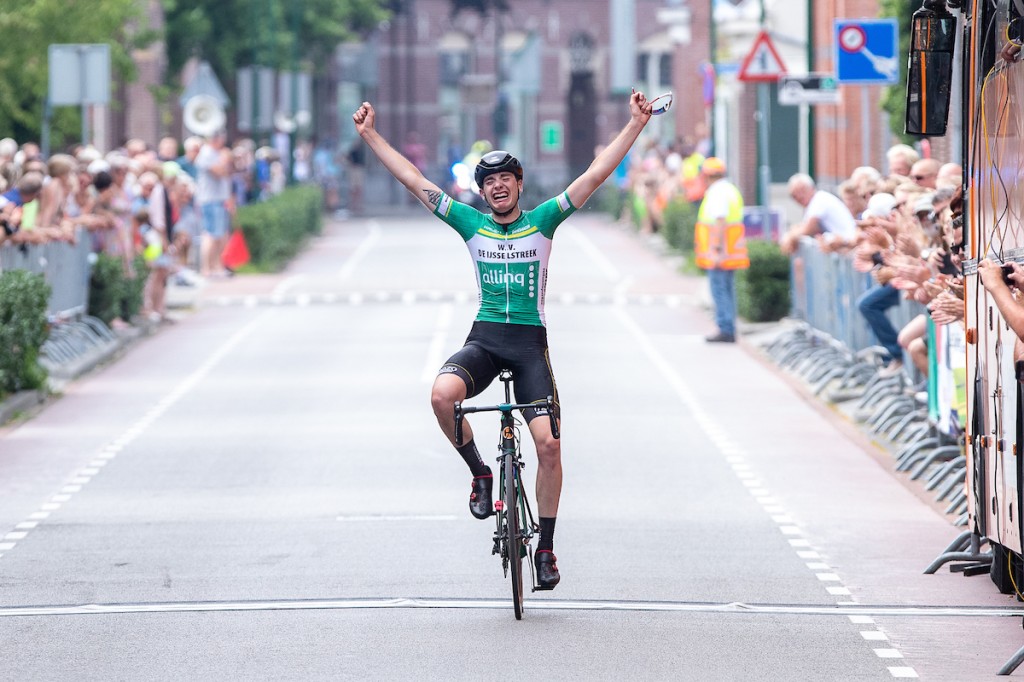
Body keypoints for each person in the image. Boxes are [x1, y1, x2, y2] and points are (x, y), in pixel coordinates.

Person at [352, 90, 654, 589]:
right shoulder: (469, 223)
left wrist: (636, 124)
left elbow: (595, 175)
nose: (497, 188)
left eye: (505, 180)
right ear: (483, 192)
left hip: (529, 345)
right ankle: (480, 474)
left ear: (519, 185)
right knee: (441, 396)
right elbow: (414, 180)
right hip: (486, 341)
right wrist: (369, 135)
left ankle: (547, 550)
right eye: (488, 182)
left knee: (549, 447)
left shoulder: (544, 220)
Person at [693, 157, 748, 343]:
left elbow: (719, 221)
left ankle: (725, 329)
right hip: (731, 252)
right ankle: (728, 327)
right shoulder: (730, 190)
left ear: (708, 175)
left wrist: (716, 250)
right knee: (727, 289)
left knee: (719, 289)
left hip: (721, 254)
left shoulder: (717, 193)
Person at [781, 173, 857, 254]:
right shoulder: (817, 200)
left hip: (848, 248)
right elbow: (809, 227)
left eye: (799, 191)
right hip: (845, 249)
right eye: (793, 196)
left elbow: (808, 228)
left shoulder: (818, 200)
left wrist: (790, 237)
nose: (797, 197)